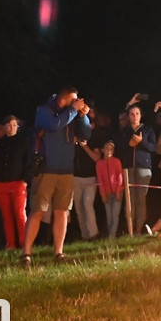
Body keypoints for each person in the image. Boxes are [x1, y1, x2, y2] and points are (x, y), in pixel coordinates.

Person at [21, 86, 90, 266]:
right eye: (74, 99)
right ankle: (26, 253)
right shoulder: (44, 111)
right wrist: (73, 111)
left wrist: (83, 117)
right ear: (65, 98)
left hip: (66, 170)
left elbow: (86, 133)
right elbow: (54, 125)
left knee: (62, 211)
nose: (77, 101)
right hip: (46, 170)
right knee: (38, 211)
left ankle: (58, 252)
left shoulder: (72, 114)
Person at [0, 115, 32, 250]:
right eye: (9, 125)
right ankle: (11, 243)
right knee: (6, 215)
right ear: (4, 127)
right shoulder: (0, 143)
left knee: (19, 213)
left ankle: (24, 242)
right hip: (1, 184)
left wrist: (25, 180)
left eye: (14, 125)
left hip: (18, 182)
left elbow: (29, 162)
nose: (12, 128)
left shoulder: (24, 142)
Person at [115, 101, 157, 236]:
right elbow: (119, 149)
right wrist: (129, 144)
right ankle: (130, 230)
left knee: (141, 199)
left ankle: (139, 229)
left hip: (143, 167)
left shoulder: (147, 130)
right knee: (129, 200)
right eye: (132, 114)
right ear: (128, 116)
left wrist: (141, 142)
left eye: (137, 114)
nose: (134, 116)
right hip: (127, 168)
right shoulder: (124, 131)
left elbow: (153, 148)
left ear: (141, 115)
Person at [72, 102, 101, 241]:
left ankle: (93, 234)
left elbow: (96, 158)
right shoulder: (75, 135)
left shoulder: (95, 136)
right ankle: (85, 235)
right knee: (78, 208)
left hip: (90, 177)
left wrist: (85, 147)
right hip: (76, 176)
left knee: (87, 204)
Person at [96, 140, 124, 238]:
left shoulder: (116, 161)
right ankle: (110, 234)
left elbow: (119, 177)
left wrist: (118, 191)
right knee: (109, 216)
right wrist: (103, 194)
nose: (109, 151)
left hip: (117, 192)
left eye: (111, 149)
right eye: (107, 149)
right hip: (107, 193)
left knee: (115, 215)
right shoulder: (99, 164)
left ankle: (112, 236)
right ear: (103, 150)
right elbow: (100, 180)